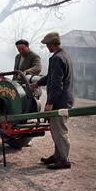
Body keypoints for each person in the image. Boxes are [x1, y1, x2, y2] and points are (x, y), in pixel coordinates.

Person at [32, 32, 74, 170]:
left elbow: (57, 84)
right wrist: (39, 83)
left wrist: (50, 103)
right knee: (56, 130)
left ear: (54, 43)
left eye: (48, 44)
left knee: (60, 130)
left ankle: (63, 160)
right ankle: (58, 155)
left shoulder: (57, 58)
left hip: (59, 101)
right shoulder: (64, 56)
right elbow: (52, 76)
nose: (47, 47)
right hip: (63, 99)